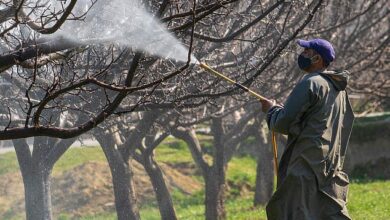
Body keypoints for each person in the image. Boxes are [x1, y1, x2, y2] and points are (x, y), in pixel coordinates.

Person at [260, 39, 355, 220]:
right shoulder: (338, 88)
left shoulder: (310, 83)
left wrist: (271, 110)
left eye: (306, 52)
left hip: (305, 164)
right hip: (328, 165)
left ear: (317, 58)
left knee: (290, 211)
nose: (302, 55)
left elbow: (283, 123)